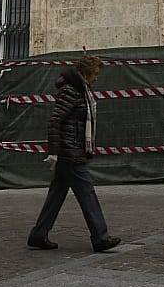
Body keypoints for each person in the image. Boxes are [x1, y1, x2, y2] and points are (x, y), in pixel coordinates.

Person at [27, 54, 121, 253]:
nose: (97, 78)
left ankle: (38, 234)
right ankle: (100, 237)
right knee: (87, 193)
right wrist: (54, 151)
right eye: (95, 73)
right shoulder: (71, 91)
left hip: (70, 150)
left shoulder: (80, 90)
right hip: (70, 152)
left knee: (56, 194)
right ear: (86, 72)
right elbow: (55, 120)